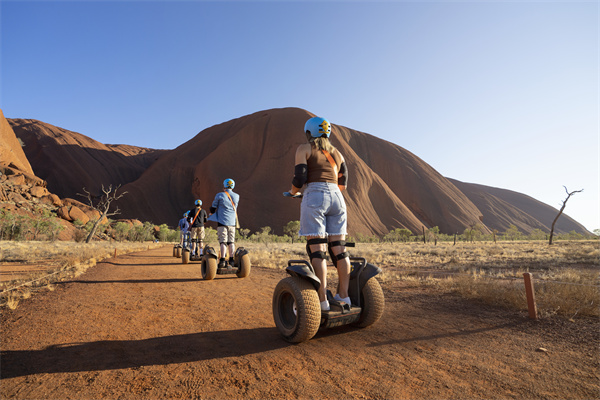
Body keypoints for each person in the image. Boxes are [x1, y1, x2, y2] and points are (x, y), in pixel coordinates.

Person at [288, 116, 351, 311]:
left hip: (315, 194)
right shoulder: (337, 153)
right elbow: (343, 184)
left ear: (309, 133)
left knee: (318, 249)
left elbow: (300, 177)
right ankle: (344, 296)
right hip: (337, 198)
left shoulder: (304, 149)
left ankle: (322, 300)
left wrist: (292, 193)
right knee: (340, 249)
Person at [208, 178, 239, 268]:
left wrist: (211, 213)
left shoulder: (219, 195)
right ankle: (232, 260)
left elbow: (213, 208)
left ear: (224, 185)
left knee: (223, 242)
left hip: (222, 222)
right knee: (231, 242)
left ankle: (222, 260)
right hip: (232, 222)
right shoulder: (237, 196)